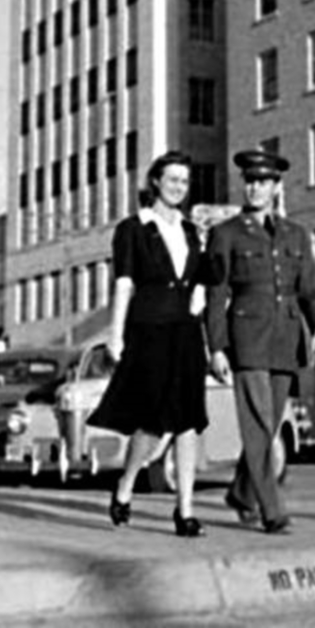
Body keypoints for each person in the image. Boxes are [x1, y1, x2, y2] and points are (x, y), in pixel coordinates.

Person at [87, 150, 211, 537]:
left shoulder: (192, 231)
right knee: (154, 422)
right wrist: (115, 335)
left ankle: (185, 511)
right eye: (172, 179)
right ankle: (126, 485)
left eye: (185, 181)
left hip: (186, 332)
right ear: (155, 181)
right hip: (149, 328)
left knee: (189, 421)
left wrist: (201, 306)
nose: (179, 187)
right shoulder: (133, 228)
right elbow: (124, 283)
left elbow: (200, 281)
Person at [206, 149, 315, 534]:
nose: (255, 188)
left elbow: (311, 288)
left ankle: (241, 494)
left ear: (277, 187)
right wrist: (216, 347)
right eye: (250, 181)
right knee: (258, 425)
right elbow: (215, 294)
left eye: (263, 182)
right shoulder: (225, 234)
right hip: (246, 339)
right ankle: (271, 508)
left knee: (269, 426)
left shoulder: (296, 233)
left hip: (286, 339)